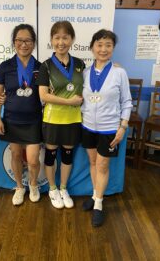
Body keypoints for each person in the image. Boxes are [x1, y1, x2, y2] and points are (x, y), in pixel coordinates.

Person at [81, 29, 132, 227]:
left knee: (103, 166)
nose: (103, 49)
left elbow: (127, 102)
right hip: (87, 127)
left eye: (108, 45)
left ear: (113, 48)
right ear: (92, 47)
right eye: (100, 45)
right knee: (93, 163)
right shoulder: (85, 73)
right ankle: (95, 196)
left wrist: (123, 127)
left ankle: (99, 205)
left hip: (109, 129)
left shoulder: (119, 72)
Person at [37, 21, 85, 209]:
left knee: (67, 155)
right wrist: (69, 102)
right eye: (57, 37)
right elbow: (43, 95)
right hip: (52, 119)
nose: (61, 42)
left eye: (65, 37)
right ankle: (52, 188)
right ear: (51, 40)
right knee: (50, 155)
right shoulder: (46, 66)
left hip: (73, 119)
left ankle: (63, 188)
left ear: (72, 39)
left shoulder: (80, 64)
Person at [0, 24, 42, 206]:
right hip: (12, 120)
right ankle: (19, 187)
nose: (24, 44)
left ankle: (33, 184)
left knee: (32, 159)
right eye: (19, 40)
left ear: (34, 43)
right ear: (14, 42)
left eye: (28, 40)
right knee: (15, 155)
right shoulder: (5, 67)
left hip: (34, 120)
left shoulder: (40, 67)